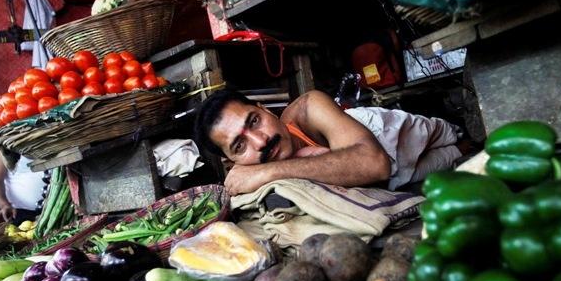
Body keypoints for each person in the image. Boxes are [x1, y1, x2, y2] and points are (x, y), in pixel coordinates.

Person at [194, 89, 469, 196]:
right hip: (400, 178)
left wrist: (268, 171)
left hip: (411, 138)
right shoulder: (247, 178)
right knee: (450, 162)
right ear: (233, 163)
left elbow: (374, 165)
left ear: (264, 108)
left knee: (461, 145)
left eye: (254, 121)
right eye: (240, 146)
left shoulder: (309, 108)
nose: (262, 141)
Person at [0, 144, 46, 225]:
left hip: (57, 208)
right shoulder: (3, 141)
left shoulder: (53, 135)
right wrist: (4, 205)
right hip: (19, 215)